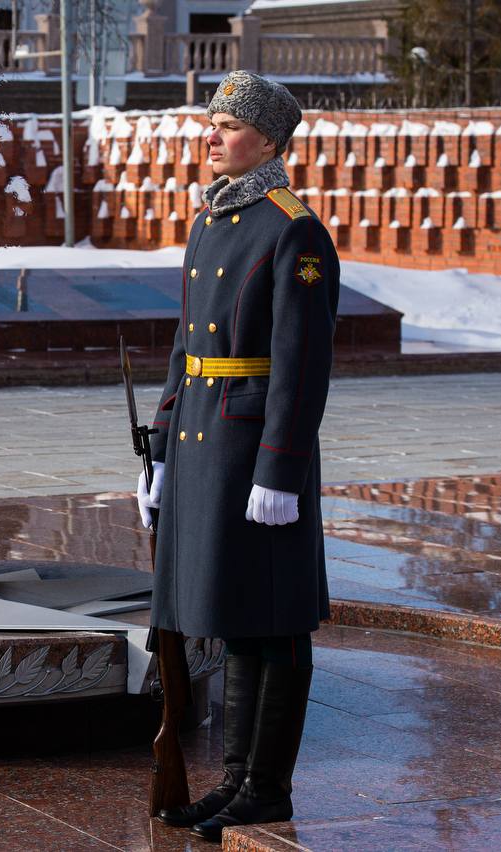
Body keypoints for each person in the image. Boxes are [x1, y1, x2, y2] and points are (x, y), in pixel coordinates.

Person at [136, 70, 340, 843]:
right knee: (231, 615)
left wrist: (280, 468)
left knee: (274, 619)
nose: (210, 136)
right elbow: (185, 346)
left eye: (226, 124)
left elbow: (302, 361)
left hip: (254, 449)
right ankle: (233, 782)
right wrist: (158, 451)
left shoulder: (293, 228)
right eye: (209, 123)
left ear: (269, 140)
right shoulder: (213, 220)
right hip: (201, 440)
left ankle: (266, 788)